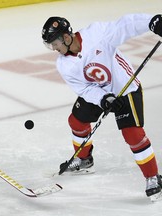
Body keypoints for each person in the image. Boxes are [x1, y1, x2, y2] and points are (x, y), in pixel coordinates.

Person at [41, 14, 162, 200]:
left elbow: (124, 26)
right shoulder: (63, 64)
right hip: (99, 91)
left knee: (133, 135)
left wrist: (151, 22)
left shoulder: (96, 34)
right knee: (76, 121)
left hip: (125, 88)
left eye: (55, 43)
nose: (54, 49)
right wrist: (104, 99)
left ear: (66, 37)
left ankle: (153, 177)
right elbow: (84, 88)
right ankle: (83, 159)